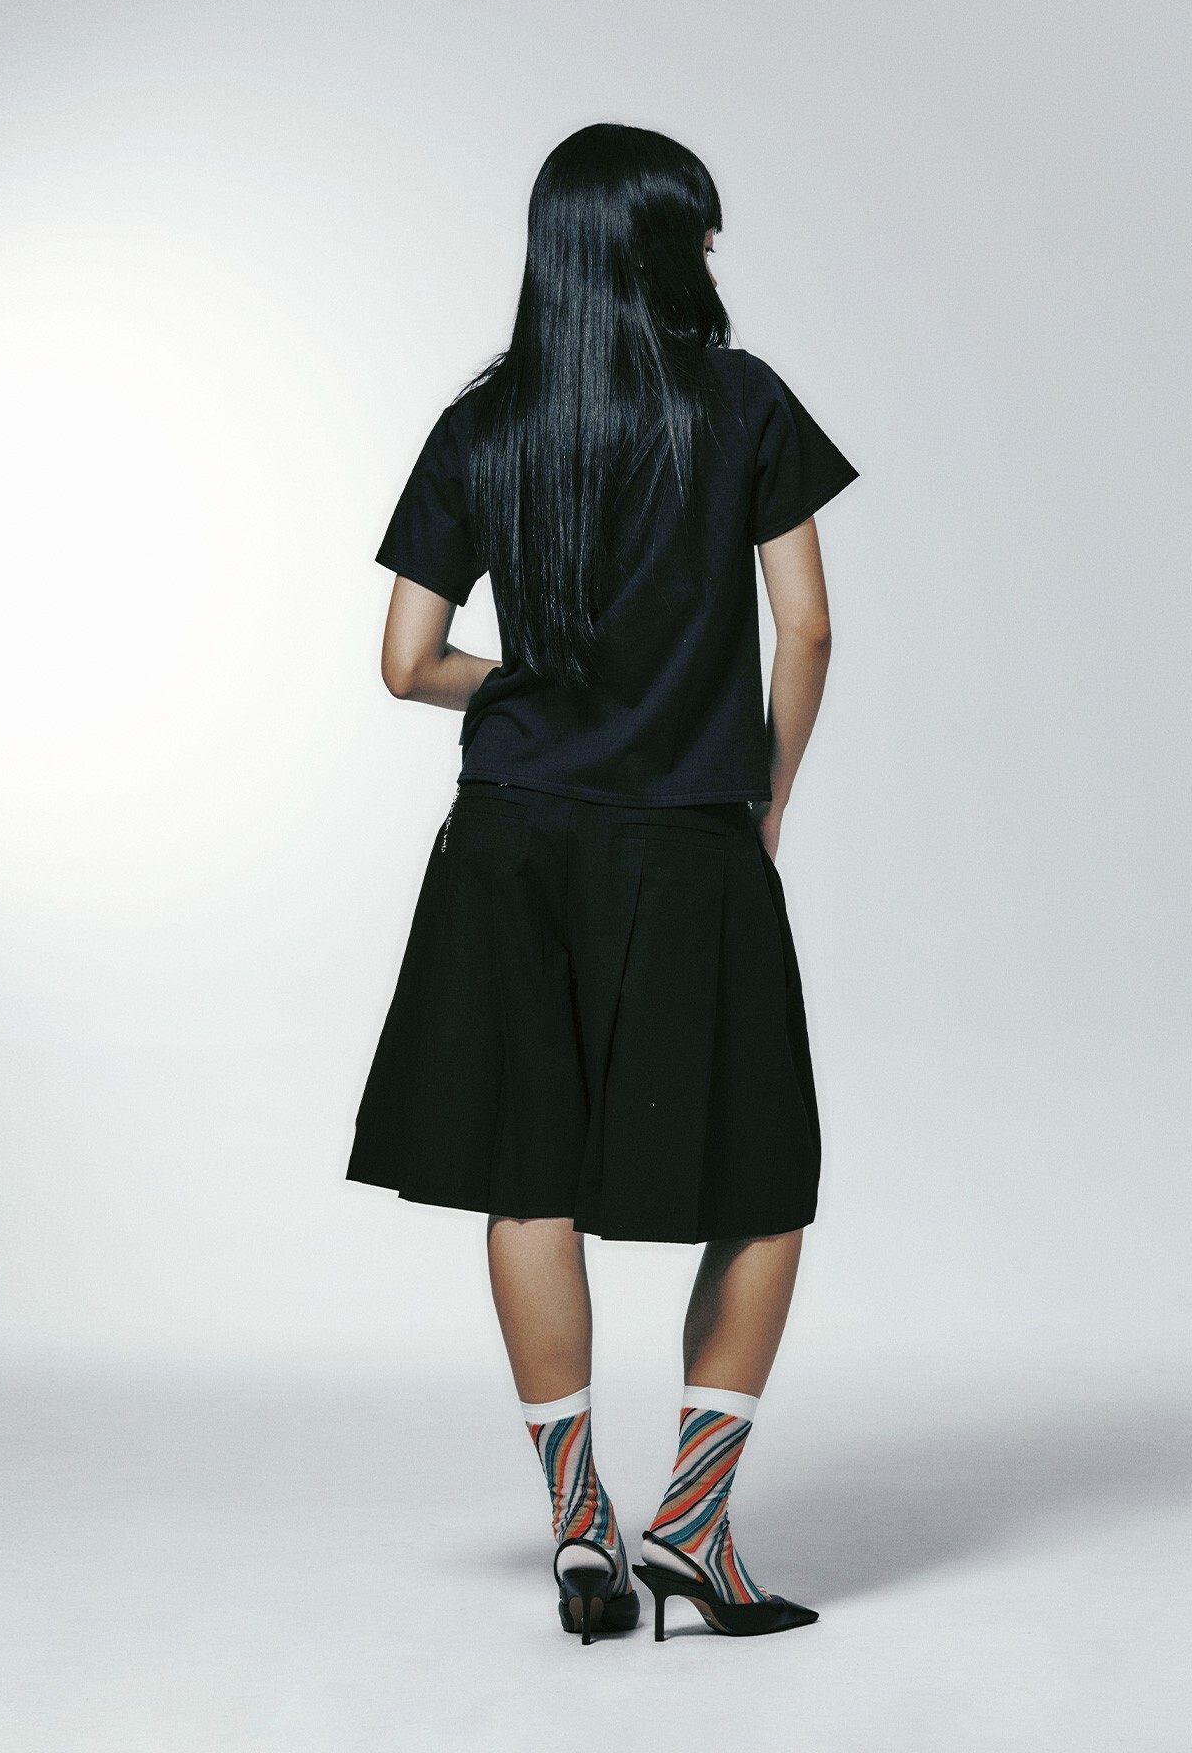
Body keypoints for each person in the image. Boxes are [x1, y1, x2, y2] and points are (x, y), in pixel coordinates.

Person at [346, 122, 859, 1644]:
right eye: (697, 230)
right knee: (762, 1180)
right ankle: (693, 1524)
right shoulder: (743, 403)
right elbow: (809, 629)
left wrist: (529, 687)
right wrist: (765, 793)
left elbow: (405, 662)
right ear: (655, 246)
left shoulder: (485, 423)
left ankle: (583, 1525)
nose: (710, 254)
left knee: (530, 1172)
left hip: (510, 839)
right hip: (688, 835)